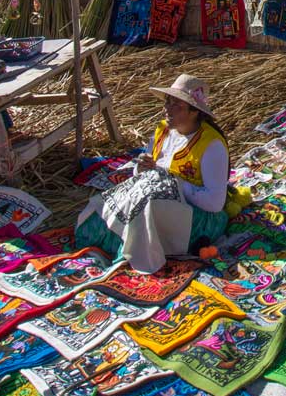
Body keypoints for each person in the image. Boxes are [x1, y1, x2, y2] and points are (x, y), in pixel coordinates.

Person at [76, 74, 239, 271]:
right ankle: (109, 241)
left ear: (194, 112)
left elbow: (214, 203)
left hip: (199, 219)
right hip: (161, 199)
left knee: (147, 205)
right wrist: (141, 167)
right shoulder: (163, 130)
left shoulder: (211, 146)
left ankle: (134, 253)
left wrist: (172, 181)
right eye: (168, 102)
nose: (167, 109)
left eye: (176, 105)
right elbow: (146, 170)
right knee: (116, 199)